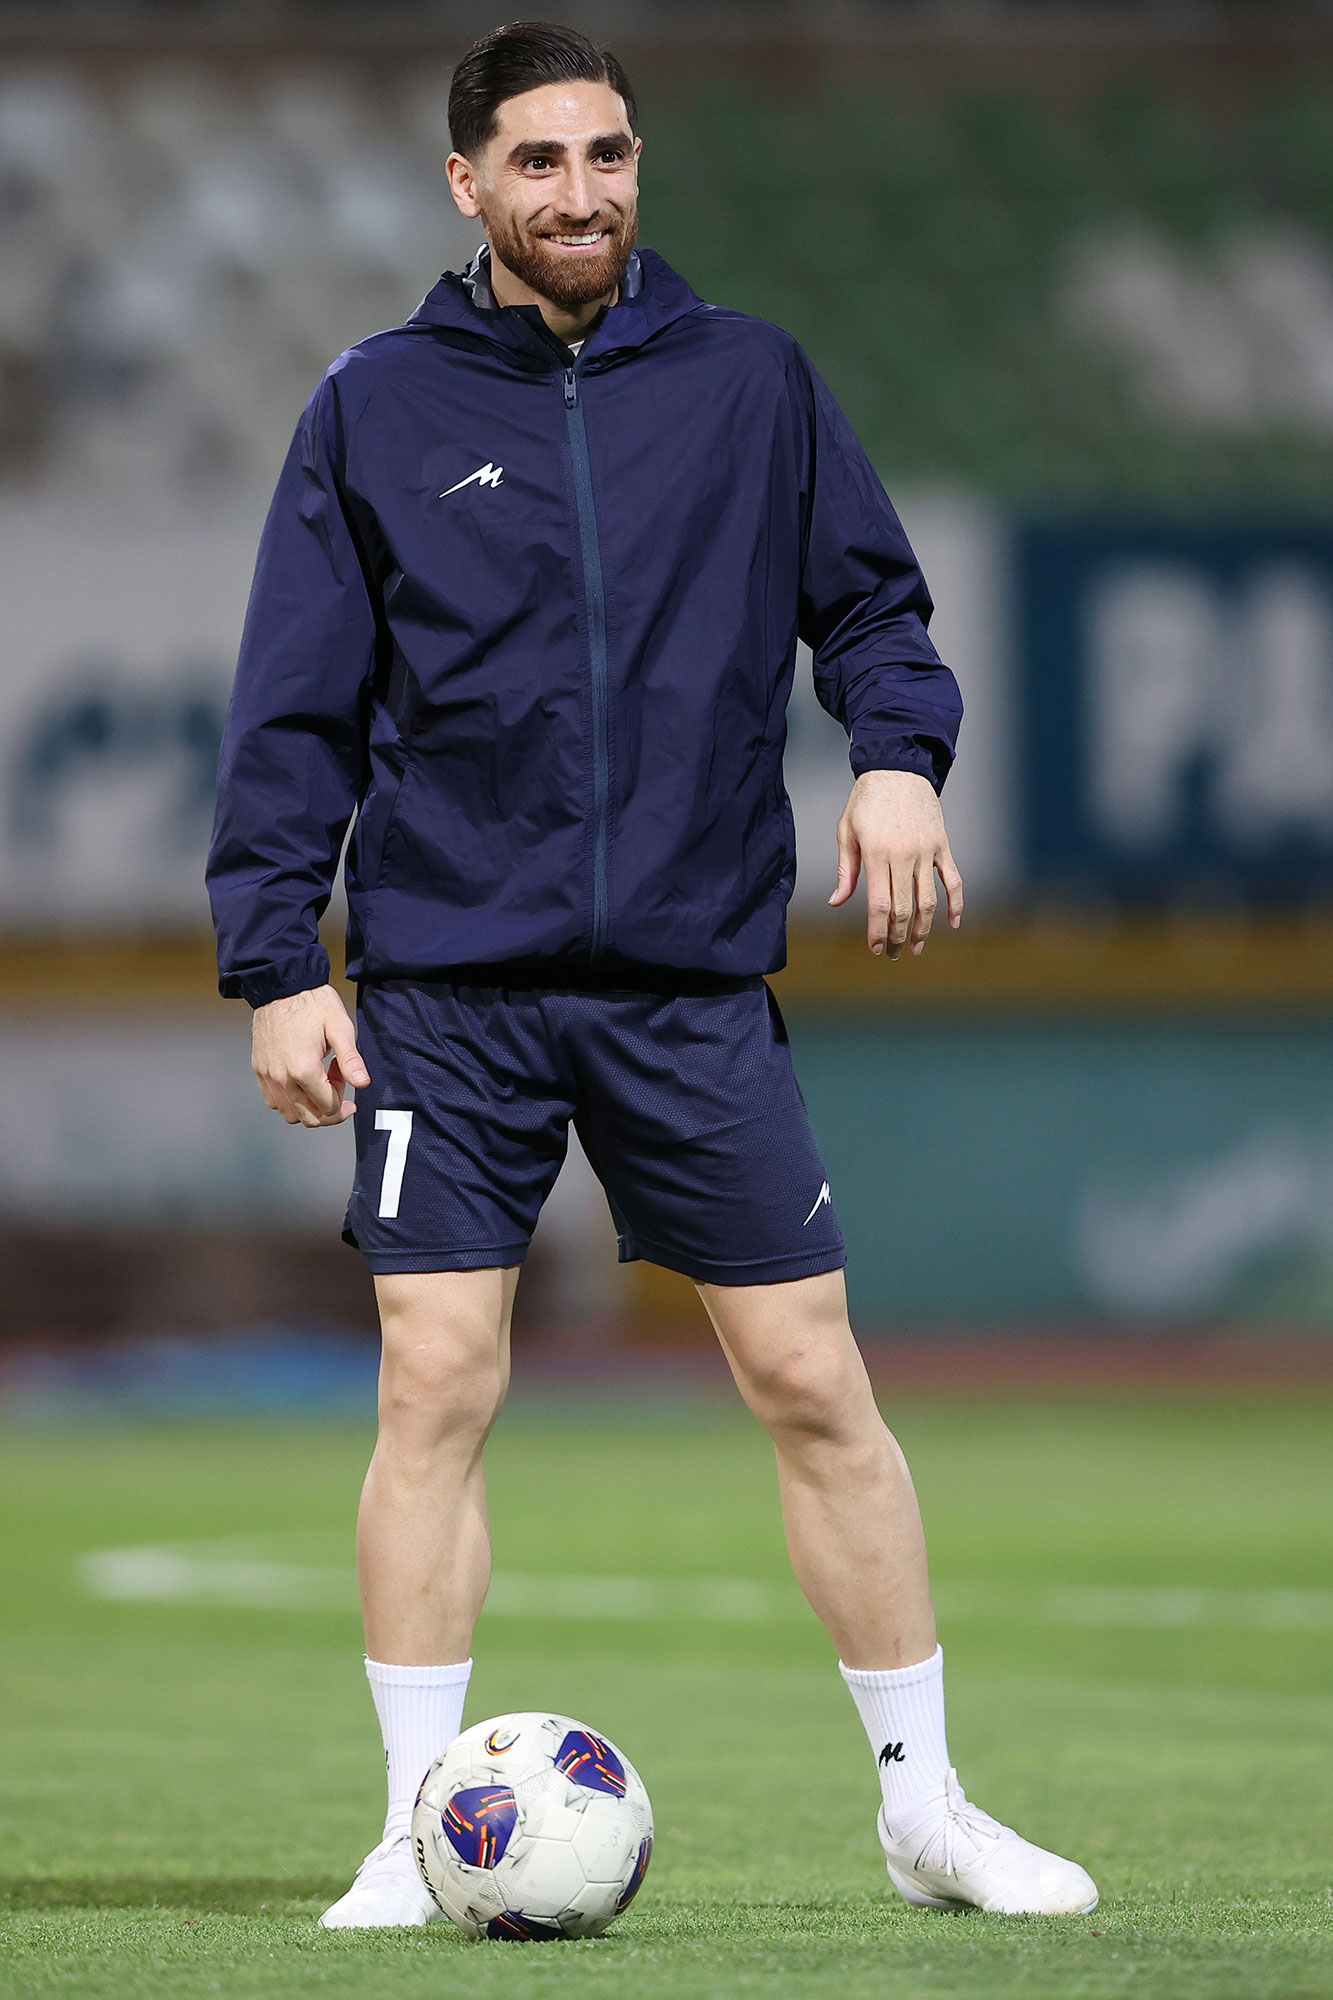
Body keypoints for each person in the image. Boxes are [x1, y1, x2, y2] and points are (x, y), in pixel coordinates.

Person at [206, 19, 1097, 1929]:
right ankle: (411, 1830)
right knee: (435, 1378)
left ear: (637, 168)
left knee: (809, 1375)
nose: (579, 191)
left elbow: (872, 608)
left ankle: (927, 1810)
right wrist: (278, 962)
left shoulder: (750, 381)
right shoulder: (373, 405)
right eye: (537, 161)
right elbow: (292, 712)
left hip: (689, 987)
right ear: (466, 184)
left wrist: (895, 759)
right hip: (446, 989)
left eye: (604, 155)